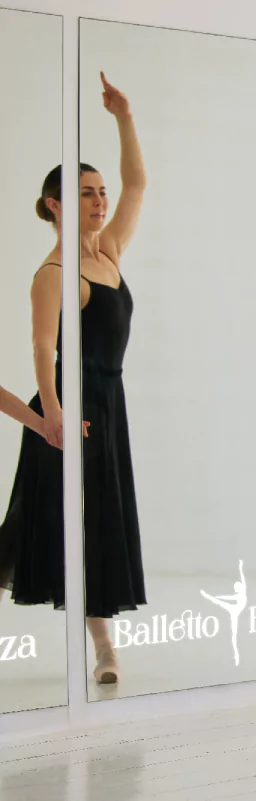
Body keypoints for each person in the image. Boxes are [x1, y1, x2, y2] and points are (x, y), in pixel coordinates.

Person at [0, 72, 147, 686]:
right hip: (72, 407)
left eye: (100, 192)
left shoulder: (108, 252)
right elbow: (42, 346)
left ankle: (105, 648)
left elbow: (138, 184)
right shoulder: (54, 272)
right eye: (86, 193)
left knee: (70, 524)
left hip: (109, 403)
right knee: (59, 527)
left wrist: (124, 118)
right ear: (55, 204)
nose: (100, 201)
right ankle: (106, 650)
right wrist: (54, 415)